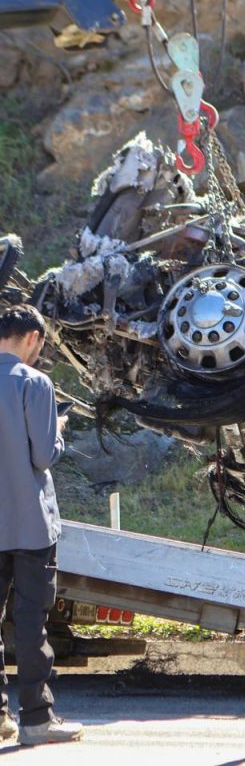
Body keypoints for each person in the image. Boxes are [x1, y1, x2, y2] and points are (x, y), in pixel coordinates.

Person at [0, 304, 83, 746]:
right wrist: (60, 429)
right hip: (30, 525)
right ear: (32, 338)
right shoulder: (35, 383)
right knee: (31, 623)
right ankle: (36, 720)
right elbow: (43, 455)